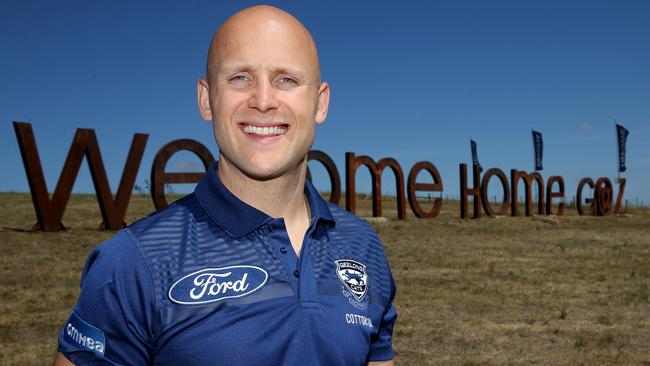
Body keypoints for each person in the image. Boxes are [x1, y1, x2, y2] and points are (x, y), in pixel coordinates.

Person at [53, 5, 396, 365]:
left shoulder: (363, 246)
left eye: (287, 80)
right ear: (206, 99)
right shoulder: (135, 262)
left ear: (320, 102)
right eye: (239, 78)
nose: (263, 101)